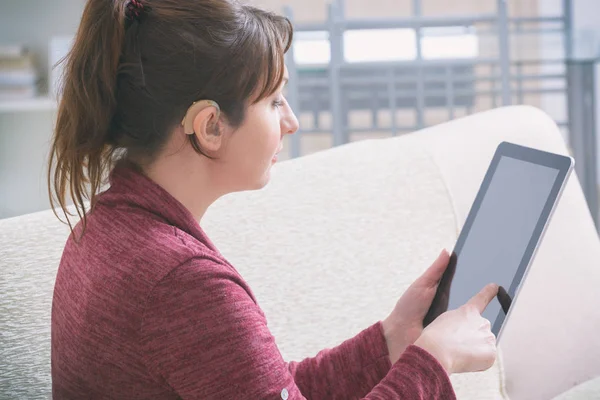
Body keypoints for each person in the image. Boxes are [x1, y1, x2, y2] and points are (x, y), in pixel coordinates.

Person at [48, 0, 499, 398]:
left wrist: (391, 340)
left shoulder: (103, 230)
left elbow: (262, 388)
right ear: (210, 127)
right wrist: (434, 361)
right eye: (274, 101)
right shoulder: (183, 283)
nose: (292, 121)